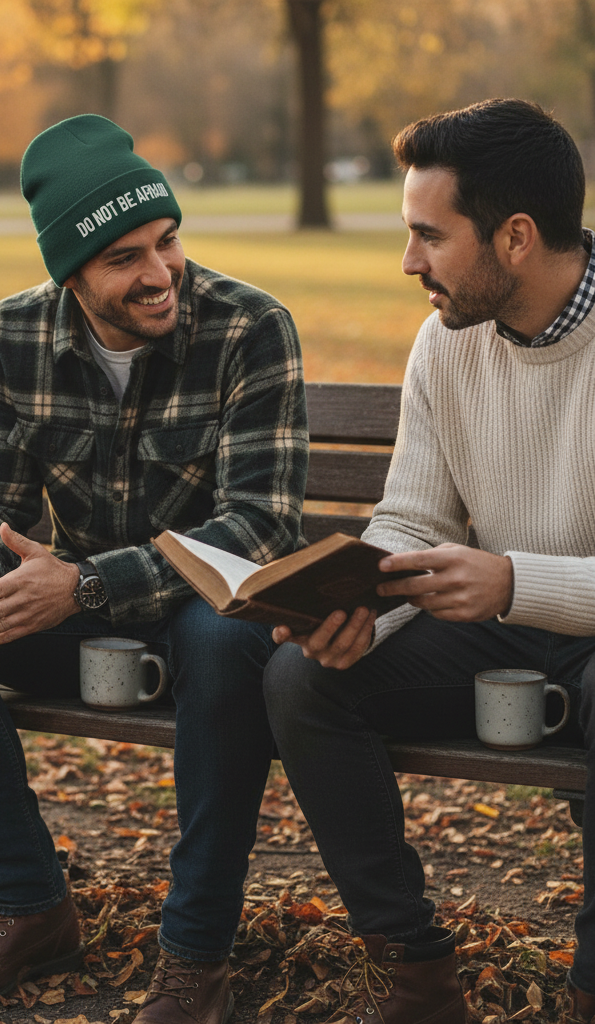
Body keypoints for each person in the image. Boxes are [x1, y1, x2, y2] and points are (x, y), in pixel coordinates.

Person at [0, 113, 308, 1024]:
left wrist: (84, 581)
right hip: (76, 609)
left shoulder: (250, 328)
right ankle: (33, 907)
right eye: (124, 258)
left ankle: (197, 958)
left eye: (166, 240)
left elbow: (262, 527)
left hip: (197, 607)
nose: (159, 273)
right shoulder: (15, 334)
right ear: (69, 274)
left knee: (223, 634)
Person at [263, 97, 595, 1024]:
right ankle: (413, 972)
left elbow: (508, 577)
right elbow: (411, 518)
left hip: (567, 622)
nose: (409, 263)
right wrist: (357, 599)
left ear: (516, 236)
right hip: (492, 626)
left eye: (428, 236)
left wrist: (517, 580)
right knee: (302, 679)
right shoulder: (447, 342)